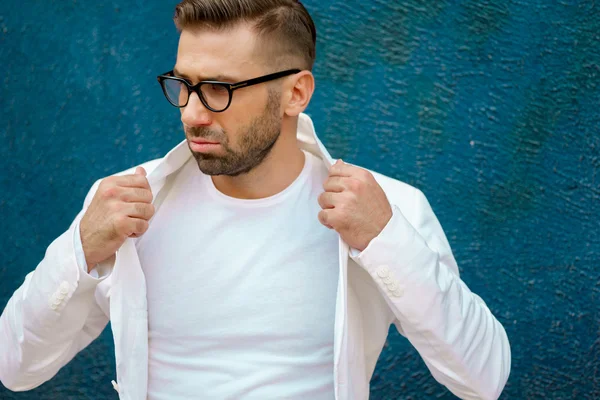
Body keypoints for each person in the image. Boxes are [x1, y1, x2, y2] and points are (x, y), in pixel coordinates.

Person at [0, 0, 511, 399]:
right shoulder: (124, 204)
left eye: (219, 88)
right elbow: (15, 368)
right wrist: (80, 251)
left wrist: (387, 241)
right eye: (184, 85)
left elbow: (483, 379)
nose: (193, 114)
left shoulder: (387, 210)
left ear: (295, 93)